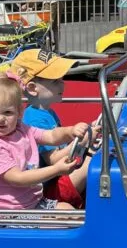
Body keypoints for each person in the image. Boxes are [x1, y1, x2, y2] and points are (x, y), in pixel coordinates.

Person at [0, 69, 89, 211]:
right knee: (69, 218)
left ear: (19, 112)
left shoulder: (21, 128)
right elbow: (17, 178)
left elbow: (50, 136)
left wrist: (70, 131)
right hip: (8, 213)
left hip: (32, 203)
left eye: (8, 112)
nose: (0, 119)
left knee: (69, 211)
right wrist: (56, 170)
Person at [13, 48, 99, 210]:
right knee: (92, 164)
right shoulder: (34, 118)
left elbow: (63, 143)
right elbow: (52, 159)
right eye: (55, 81)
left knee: (96, 157)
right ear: (32, 88)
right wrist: (83, 141)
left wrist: (86, 131)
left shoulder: (46, 112)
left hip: (58, 176)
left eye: (61, 79)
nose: (62, 84)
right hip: (50, 187)